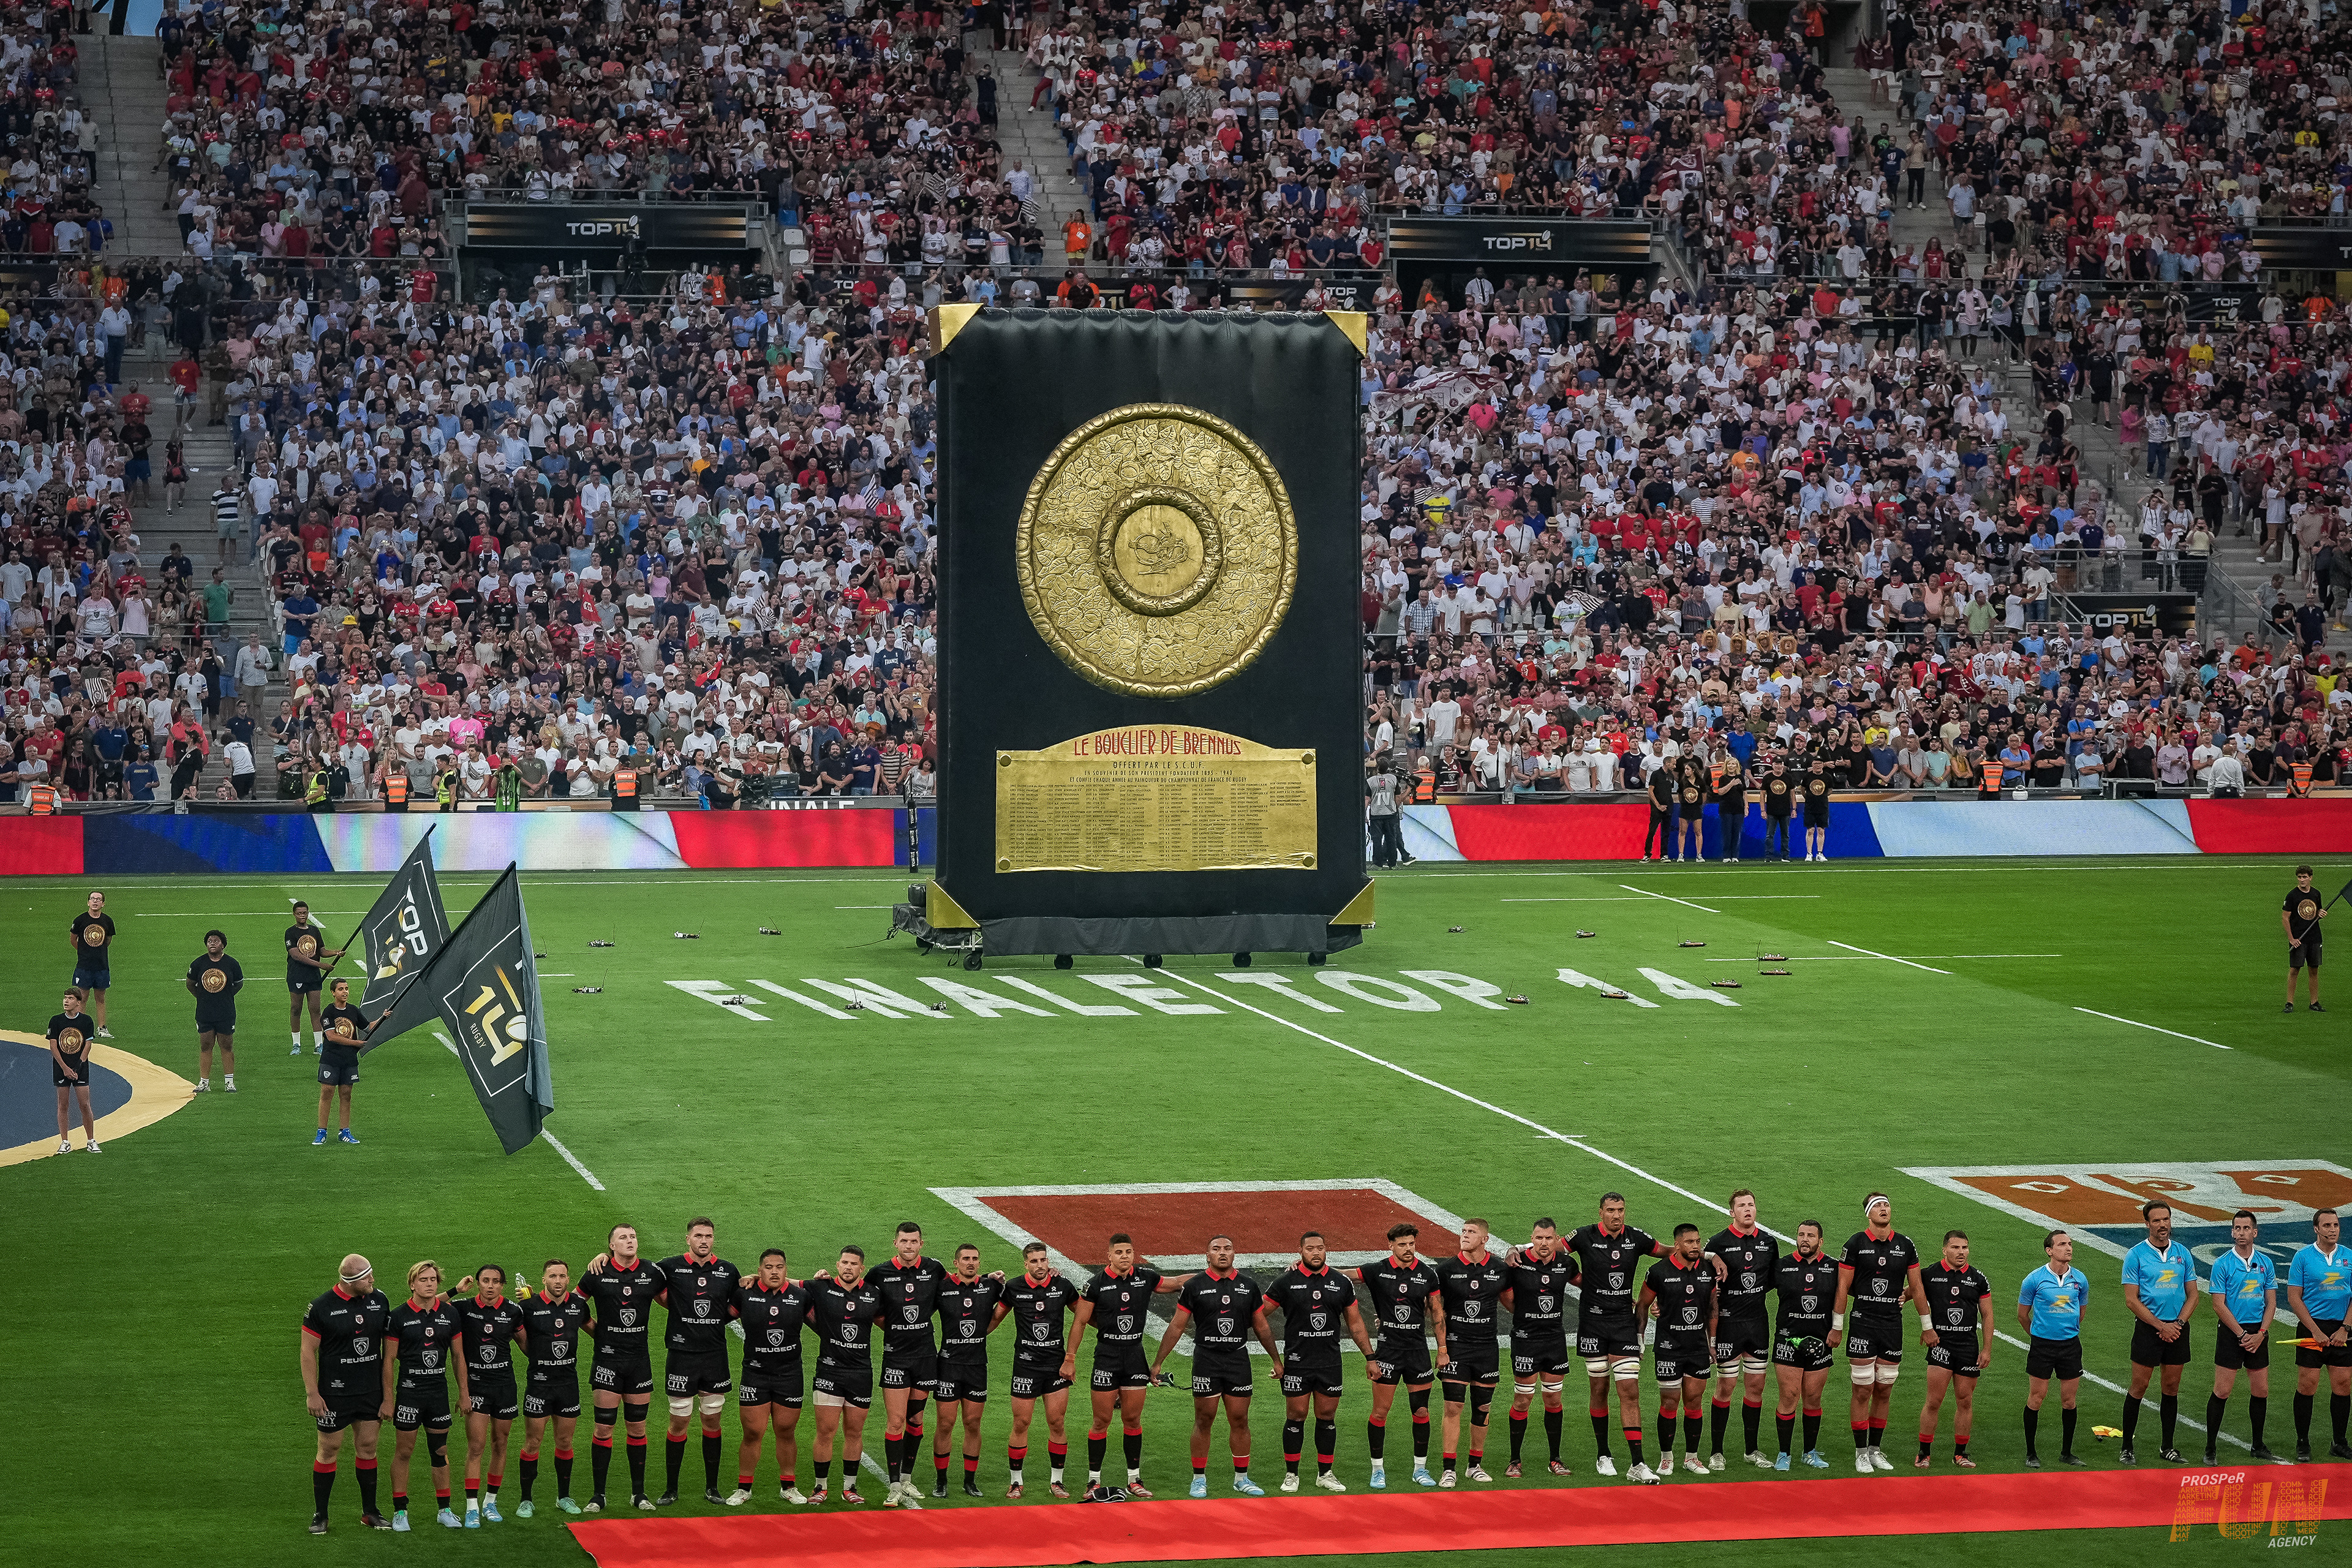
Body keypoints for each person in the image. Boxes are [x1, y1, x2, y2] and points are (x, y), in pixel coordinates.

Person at [1153, 1234, 1277, 1498]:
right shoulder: (1194, 1286)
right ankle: (1199, 1479)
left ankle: (1241, 1478)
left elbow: (1262, 1326)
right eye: (1217, 1249)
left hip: (1237, 1360)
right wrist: (1158, 1362)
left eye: (1227, 1248)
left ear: (1234, 1253)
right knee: (1204, 1419)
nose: (1223, 1252)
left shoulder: (1248, 1286)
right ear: (1207, 1255)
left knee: (1240, 1419)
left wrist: (1276, 1360)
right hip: (1207, 1360)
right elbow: (1177, 1326)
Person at [1062, 1232, 1182, 1499]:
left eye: (1128, 1252)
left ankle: (1134, 1480)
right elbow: (1080, 1322)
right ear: (1109, 1256)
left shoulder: (1145, 1277)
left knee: (1133, 1420)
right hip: (1107, 1357)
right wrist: (1070, 1358)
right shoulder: (1095, 1284)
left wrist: (1208, 1275)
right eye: (1119, 1253)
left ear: (1133, 1254)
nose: (1124, 1256)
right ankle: (1093, 1481)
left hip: (1135, 1357)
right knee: (1101, 1421)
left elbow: (1174, 1283)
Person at [1566, 1193, 1674, 1479]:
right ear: (1600, 1212)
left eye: (1621, 1210)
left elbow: (1668, 1252)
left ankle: (1637, 1464)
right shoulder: (1584, 1236)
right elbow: (1552, 1249)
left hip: (1624, 1324)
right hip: (1592, 1324)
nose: (1617, 1215)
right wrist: (1517, 1249)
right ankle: (1603, 1455)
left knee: (1630, 1391)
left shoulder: (1636, 1237)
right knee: (1599, 1390)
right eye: (1611, 1210)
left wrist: (1710, 1256)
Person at [1267, 1231, 1374, 1493]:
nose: (1316, 1253)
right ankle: (1292, 1474)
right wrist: (1276, 1358)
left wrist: (1370, 1357)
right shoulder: (1286, 1282)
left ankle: (1325, 1473)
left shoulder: (1340, 1282)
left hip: (1329, 1363)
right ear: (1300, 1251)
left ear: (1327, 1250)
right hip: (1297, 1362)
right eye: (1310, 1248)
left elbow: (1355, 1323)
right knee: (1296, 1416)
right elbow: (1258, 1314)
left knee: (1326, 1417)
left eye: (1321, 1248)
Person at [646, 1219, 740, 1506]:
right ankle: (671, 1489)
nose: (704, 1240)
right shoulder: (669, 1266)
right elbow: (640, 1277)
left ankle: (712, 1487)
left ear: (714, 1239)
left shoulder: (727, 1270)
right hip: (681, 1355)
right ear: (688, 1239)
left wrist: (718, 1319)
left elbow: (738, 1304)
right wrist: (604, 1256)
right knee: (679, 1421)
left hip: (714, 1356)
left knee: (712, 1419)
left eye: (708, 1236)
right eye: (698, 1235)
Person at [1831, 1193, 1927, 1474]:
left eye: (1887, 1205)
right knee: (1863, 1390)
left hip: (1892, 1326)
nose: (1884, 1209)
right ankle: (1860, 1453)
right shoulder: (1855, 1244)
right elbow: (1842, 1286)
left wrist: (1927, 1326)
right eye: (1878, 1206)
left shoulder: (1905, 1245)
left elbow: (1917, 1287)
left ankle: (1875, 1450)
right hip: (1863, 1324)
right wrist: (1837, 1326)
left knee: (1884, 1390)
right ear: (1868, 1215)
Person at [302, 1254, 394, 1534]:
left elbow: (404, 1322)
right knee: (328, 1450)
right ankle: (321, 1515)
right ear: (350, 1281)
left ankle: (370, 1512)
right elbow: (307, 1351)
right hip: (334, 1395)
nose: (373, 1280)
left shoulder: (379, 1300)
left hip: (370, 1392)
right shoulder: (321, 1307)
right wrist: (312, 1393)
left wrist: (388, 1396)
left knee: (368, 1448)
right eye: (367, 1277)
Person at [579, 1224, 665, 1510]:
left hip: (639, 1362)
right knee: (603, 1428)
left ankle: (639, 1494)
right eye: (623, 1238)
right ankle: (598, 1496)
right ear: (612, 1246)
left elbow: (675, 1301)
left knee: (637, 1428)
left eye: (633, 1237)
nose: (630, 1241)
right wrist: (598, 1333)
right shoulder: (597, 1272)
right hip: (607, 1361)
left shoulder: (652, 1272)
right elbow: (573, 1307)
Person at [1356, 1222, 1446, 1490]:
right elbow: (1342, 1276)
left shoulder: (1427, 1274)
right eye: (1403, 1244)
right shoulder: (1377, 1270)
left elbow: (1437, 1313)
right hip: (1388, 1353)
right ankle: (1377, 1470)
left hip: (1417, 1352)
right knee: (1380, 1412)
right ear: (1391, 1245)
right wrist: (1306, 1268)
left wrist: (1442, 1350)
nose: (1408, 1249)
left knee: (1421, 1411)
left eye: (1412, 1244)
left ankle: (1420, 1469)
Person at [867, 1221, 949, 1507]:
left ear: (921, 1244)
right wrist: (892, 1329)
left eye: (914, 1242)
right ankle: (893, 1486)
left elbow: (957, 1287)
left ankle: (906, 1479)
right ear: (895, 1243)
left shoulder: (934, 1269)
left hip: (925, 1357)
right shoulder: (879, 1273)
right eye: (904, 1241)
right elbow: (862, 1299)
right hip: (896, 1358)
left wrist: (991, 1278)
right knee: (896, 1421)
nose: (909, 1246)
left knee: (916, 1420)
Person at [382, 1260, 466, 1531]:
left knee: (440, 1451)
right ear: (412, 1284)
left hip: (438, 1394)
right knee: (404, 1451)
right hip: (409, 1393)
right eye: (423, 1280)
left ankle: (445, 1510)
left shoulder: (450, 1314)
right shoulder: (398, 1316)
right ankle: (400, 1511)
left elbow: (458, 1356)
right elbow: (388, 1360)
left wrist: (464, 1393)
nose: (429, 1284)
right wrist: (388, 1400)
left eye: (433, 1280)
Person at [729, 1248, 812, 1506]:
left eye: (779, 1267)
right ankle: (744, 1488)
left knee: (786, 1431)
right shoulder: (744, 1294)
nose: (774, 1272)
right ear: (759, 1270)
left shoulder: (801, 1297)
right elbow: (717, 1319)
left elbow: (825, 1326)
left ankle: (789, 1486)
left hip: (790, 1374)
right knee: (753, 1432)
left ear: (786, 1270)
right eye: (768, 1267)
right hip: (755, 1374)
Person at [997, 1240, 1080, 1498]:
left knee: (1057, 1422)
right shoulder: (1014, 1288)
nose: (1040, 1265)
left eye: (1043, 1260)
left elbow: (1083, 1315)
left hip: (1056, 1367)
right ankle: (1016, 1482)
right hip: (1025, 1366)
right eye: (1034, 1261)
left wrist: (1071, 1357)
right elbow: (995, 1317)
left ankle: (1057, 1482)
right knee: (1021, 1423)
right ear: (1026, 1264)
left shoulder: (1063, 1286)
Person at [1432, 1218, 1512, 1486]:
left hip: (1487, 1348)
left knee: (1482, 1408)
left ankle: (1474, 1465)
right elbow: (1433, 1308)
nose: (1465, 1236)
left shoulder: (1500, 1270)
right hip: (1456, 1347)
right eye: (1463, 1231)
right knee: (1453, 1406)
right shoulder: (1446, 1270)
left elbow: (1513, 1304)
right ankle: (1449, 1469)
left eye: (1471, 1232)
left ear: (1485, 1239)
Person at [1638, 1224, 1719, 1479]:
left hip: (1697, 1348)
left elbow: (1713, 1308)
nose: (1695, 1246)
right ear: (1677, 1245)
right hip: (1668, 1348)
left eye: (1698, 1242)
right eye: (1689, 1242)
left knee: (1694, 1402)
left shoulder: (1708, 1270)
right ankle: (1666, 1458)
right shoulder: (1658, 1272)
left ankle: (1691, 1458)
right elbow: (1643, 1305)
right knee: (1669, 1403)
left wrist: (1713, 1342)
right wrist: (1640, 1339)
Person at [2120, 1201, 2198, 1464]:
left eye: (2166, 1219)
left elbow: (2193, 1295)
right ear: (2147, 1224)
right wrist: (2160, 1326)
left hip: (2177, 1329)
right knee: (2139, 1386)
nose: (2163, 1225)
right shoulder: (2136, 1255)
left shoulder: (2183, 1253)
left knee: (2171, 1387)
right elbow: (2131, 1300)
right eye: (2157, 1221)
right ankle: (2127, 1447)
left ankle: (2167, 1447)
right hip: (2149, 1329)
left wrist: (2178, 1324)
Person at [1500, 1218, 1578, 1478]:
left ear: (1556, 1240)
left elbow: (1588, 1285)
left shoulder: (1566, 1264)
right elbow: (1506, 1296)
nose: (1544, 1243)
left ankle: (1555, 1459)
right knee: (1523, 1400)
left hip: (1554, 1340)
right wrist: (1524, 1315)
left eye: (1549, 1238)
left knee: (1553, 1399)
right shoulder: (1517, 1263)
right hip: (1526, 1339)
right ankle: (1514, 1460)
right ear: (1531, 1239)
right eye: (1539, 1238)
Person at [807, 1243, 886, 1504]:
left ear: (862, 1268)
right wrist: (754, 1278)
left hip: (861, 1373)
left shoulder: (874, 1294)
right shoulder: (821, 1287)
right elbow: (786, 1285)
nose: (848, 1267)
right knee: (826, 1431)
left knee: (854, 1432)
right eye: (844, 1263)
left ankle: (850, 1488)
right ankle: (820, 1488)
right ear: (837, 1265)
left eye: (854, 1264)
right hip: (829, 1370)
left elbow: (889, 1322)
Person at [1706, 1190, 1777, 1469]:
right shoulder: (1718, 1243)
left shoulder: (1769, 1243)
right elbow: (1701, 1278)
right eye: (1741, 1206)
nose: (1747, 1209)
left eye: (1751, 1205)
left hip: (1758, 1323)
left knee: (1756, 1387)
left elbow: (1772, 1280)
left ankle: (1752, 1450)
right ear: (1732, 1212)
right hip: (1728, 1324)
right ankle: (1716, 1452)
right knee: (1726, 1386)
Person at [930, 1244, 1007, 1498]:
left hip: (976, 1367)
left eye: (975, 1259)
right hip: (948, 1366)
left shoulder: (990, 1287)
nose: (970, 1262)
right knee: (945, 1424)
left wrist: (983, 1333)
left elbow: (1007, 1305)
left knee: (973, 1424)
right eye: (965, 1259)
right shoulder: (942, 1288)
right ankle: (941, 1481)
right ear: (956, 1263)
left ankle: (969, 1481)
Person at [518, 1259, 593, 1517]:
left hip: (567, 1384)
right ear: (544, 1280)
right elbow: (517, 1335)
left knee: (565, 1441)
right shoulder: (528, 1306)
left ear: (568, 1279)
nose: (558, 1281)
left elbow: (595, 1330)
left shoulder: (578, 1306)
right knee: (533, 1441)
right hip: (539, 1384)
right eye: (552, 1276)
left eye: (562, 1276)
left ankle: (564, 1497)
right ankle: (526, 1500)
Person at [453, 1264, 526, 1525]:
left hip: (505, 1386)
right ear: (478, 1283)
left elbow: (528, 1347)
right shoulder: (464, 1308)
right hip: (477, 1387)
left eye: (496, 1281)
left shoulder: (513, 1311)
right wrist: (455, 1290)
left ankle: (490, 1503)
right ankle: (471, 1507)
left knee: (500, 1444)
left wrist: (533, 1310)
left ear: (503, 1285)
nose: (491, 1286)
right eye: (486, 1281)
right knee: (476, 1446)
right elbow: (429, 1305)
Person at [1914, 1231, 1993, 1469]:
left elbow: (1987, 1315)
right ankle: (1924, 1453)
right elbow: (1912, 1292)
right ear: (1945, 1250)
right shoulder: (1929, 1274)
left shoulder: (1978, 1279)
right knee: (1934, 1401)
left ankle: (1961, 1454)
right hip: (1941, 1345)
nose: (1961, 1252)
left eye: (1965, 1248)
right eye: (1956, 1248)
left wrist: (1987, 1350)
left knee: (1965, 1401)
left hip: (1968, 1348)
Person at [2206, 1210, 2280, 1464]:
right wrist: (2241, 1334)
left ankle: (2258, 1445)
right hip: (2231, 1333)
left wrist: (2261, 1333)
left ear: (2255, 1232)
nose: (2241, 1233)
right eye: (2237, 1228)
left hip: (2258, 1333)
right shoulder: (2222, 1263)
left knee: (2261, 1390)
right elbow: (2218, 1304)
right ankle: (2210, 1448)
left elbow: (2272, 1303)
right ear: (2232, 1232)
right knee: (2222, 1390)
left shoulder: (2266, 1263)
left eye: (2246, 1228)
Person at [2015, 1230, 2089, 1468]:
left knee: (2069, 1400)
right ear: (2049, 1250)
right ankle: (2031, 1453)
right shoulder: (2034, 1279)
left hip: (2070, 1346)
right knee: (2037, 1398)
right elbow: (2022, 1315)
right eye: (2062, 1244)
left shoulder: (2080, 1280)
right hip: (2042, 1347)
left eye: (2070, 1244)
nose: (2069, 1248)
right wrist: (2038, 1336)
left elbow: (2080, 1312)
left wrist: (2066, 1331)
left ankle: (2067, 1453)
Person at [2285, 1208, 2352, 1461]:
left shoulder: (2349, 1257)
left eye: (2336, 1225)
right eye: (2327, 1226)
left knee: (2343, 1385)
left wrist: (2345, 1329)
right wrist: (2315, 1330)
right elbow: (2294, 1297)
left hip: (2342, 1330)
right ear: (2316, 1229)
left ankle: (2339, 1442)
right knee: (2307, 1385)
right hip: (2312, 1328)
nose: (2332, 1230)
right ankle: (2303, 1442)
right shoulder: (2302, 1257)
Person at [1772, 1220, 1840, 1470]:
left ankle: (1809, 1452)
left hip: (1821, 1343)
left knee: (1813, 1398)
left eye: (1811, 1236)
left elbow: (1856, 1290)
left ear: (1820, 1241)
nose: (1805, 1239)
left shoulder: (1834, 1268)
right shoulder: (1782, 1266)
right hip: (1788, 1341)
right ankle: (1784, 1454)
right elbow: (1753, 1289)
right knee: (1789, 1396)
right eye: (1801, 1234)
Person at [285, 900, 346, 1055]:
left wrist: (336, 953)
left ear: (308, 913)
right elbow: (296, 955)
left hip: (313, 976)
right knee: (296, 1009)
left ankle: (319, 1044)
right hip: (297, 975)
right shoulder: (290, 932)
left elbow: (321, 951)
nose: (302, 916)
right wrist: (321, 965)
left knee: (315, 1009)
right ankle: (296, 1044)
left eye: (304, 913)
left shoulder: (314, 931)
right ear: (294, 914)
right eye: (299, 913)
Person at [186, 928, 243, 1093]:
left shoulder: (232, 964)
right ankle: (204, 1083)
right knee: (205, 1045)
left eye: (216, 941)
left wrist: (226, 996)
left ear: (223, 945)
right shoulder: (198, 964)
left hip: (226, 1012)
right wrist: (202, 997)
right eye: (209, 941)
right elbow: (190, 984)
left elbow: (239, 984)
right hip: (205, 1012)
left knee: (227, 1046)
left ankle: (229, 1082)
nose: (212, 944)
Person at [314, 978, 366, 1145]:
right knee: (327, 1093)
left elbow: (367, 1026)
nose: (345, 992)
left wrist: (384, 1017)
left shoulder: (353, 1010)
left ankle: (345, 1131)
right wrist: (355, 1043)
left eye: (347, 989)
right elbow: (331, 1036)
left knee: (346, 1095)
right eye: (341, 989)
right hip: (331, 1059)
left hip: (349, 1060)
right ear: (333, 993)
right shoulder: (329, 1012)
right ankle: (321, 1132)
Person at [48, 988, 98, 1153]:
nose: (66, 1001)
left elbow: (88, 1045)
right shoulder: (56, 1021)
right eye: (65, 998)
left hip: (80, 1069)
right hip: (61, 1068)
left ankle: (91, 1140)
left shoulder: (86, 1021)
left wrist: (77, 1067)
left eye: (70, 998)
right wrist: (65, 1068)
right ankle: (65, 1141)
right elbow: (53, 1046)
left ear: (78, 1002)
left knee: (85, 1104)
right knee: (63, 1105)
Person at [68, 889, 116, 1038]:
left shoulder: (107, 921)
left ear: (103, 904)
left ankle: (102, 1028)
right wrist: (84, 951)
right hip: (84, 966)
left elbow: (108, 940)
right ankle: (81, 1028)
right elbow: (73, 939)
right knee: (82, 998)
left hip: (102, 966)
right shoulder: (80, 920)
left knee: (101, 998)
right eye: (93, 899)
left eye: (98, 899)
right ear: (88, 902)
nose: (95, 901)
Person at [2285, 864, 2327, 1012]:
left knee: (2314, 970)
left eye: (2304, 877)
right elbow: (2285, 918)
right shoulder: (2292, 896)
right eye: (2299, 877)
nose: (2302, 880)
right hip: (2299, 938)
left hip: (2314, 937)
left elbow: (2317, 912)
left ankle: (2314, 1002)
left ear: (2311, 878)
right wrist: (2291, 939)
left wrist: (2320, 914)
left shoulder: (2316, 894)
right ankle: (2289, 1003)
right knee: (2294, 970)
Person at [1762, 756, 1795, 861]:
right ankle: (1768, 856)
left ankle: (1785, 856)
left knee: (1786, 835)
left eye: (1781, 764)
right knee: (1769, 835)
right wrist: (1763, 810)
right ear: (1773, 765)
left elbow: (1792, 794)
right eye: (1777, 764)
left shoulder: (1788, 777)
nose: (1779, 766)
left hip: (1785, 811)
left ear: (1783, 766)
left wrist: (1794, 809)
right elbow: (1762, 795)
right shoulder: (1768, 778)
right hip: (1771, 811)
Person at [1642, 756, 1675, 862]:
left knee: (1666, 832)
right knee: (1652, 831)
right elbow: (1650, 791)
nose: (1674, 766)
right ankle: (1647, 854)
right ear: (1667, 763)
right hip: (1656, 808)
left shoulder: (1671, 775)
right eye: (1673, 764)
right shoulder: (1656, 774)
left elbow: (1668, 792)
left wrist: (1668, 805)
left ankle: (1664, 855)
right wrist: (1658, 805)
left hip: (1668, 807)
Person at [1802, 754, 1833, 861]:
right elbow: (1803, 790)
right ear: (1813, 765)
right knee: (1810, 830)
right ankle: (1809, 853)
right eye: (1816, 763)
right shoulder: (1807, 776)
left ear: (1823, 765)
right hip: (1810, 807)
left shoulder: (1828, 777)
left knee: (1821, 830)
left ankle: (1820, 853)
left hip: (1823, 807)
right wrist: (1810, 798)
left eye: (1820, 763)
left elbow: (1830, 790)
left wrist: (1821, 797)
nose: (1818, 765)